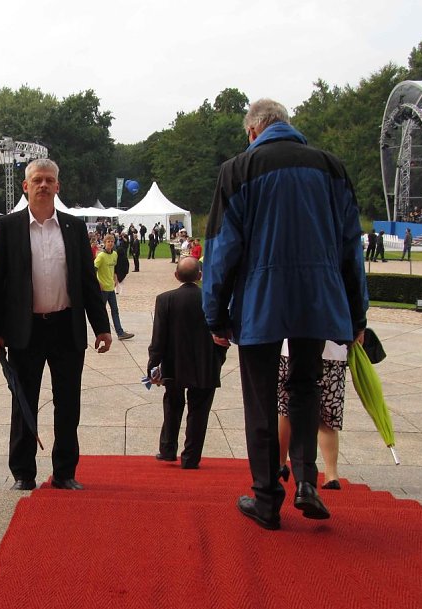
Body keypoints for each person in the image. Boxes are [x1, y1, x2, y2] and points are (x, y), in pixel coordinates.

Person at [202, 98, 368, 530]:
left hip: (262, 298)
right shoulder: (330, 167)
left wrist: (215, 314)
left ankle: (266, 498)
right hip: (318, 297)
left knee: (261, 400)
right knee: (305, 388)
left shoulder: (238, 169)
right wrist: (357, 315)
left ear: (252, 131)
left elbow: (222, 249)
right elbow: (351, 246)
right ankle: (307, 480)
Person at [0, 159, 112, 492]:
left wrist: (102, 326)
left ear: (57, 186)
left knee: (68, 404)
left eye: (49, 180)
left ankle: (65, 472)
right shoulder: (8, 227)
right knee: (23, 401)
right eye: (37, 180)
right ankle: (23, 473)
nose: (43, 185)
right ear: (26, 186)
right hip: (25, 330)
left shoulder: (73, 227)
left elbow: (88, 281)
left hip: (66, 328)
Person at [148, 257, 227, 468]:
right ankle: (191, 457)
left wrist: (153, 365)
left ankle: (167, 449)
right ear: (200, 276)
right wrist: (218, 360)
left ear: (176, 276)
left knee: (172, 404)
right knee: (199, 411)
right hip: (205, 363)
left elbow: (158, 338)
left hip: (174, 362)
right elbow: (222, 336)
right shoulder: (212, 300)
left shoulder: (165, 299)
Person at [278, 339, 348, 489]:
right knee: (328, 415)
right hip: (333, 351)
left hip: (292, 350)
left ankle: (280, 463)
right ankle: (331, 474)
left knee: (287, 410)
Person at [95, 234, 134, 341]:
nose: (110, 243)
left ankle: (120, 333)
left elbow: (114, 268)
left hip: (111, 288)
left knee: (115, 311)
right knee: (101, 312)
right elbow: (93, 270)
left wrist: (115, 277)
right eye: (108, 241)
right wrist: (98, 282)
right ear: (105, 243)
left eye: (112, 241)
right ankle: (101, 333)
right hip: (103, 290)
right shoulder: (101, 256)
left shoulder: (115, 254)